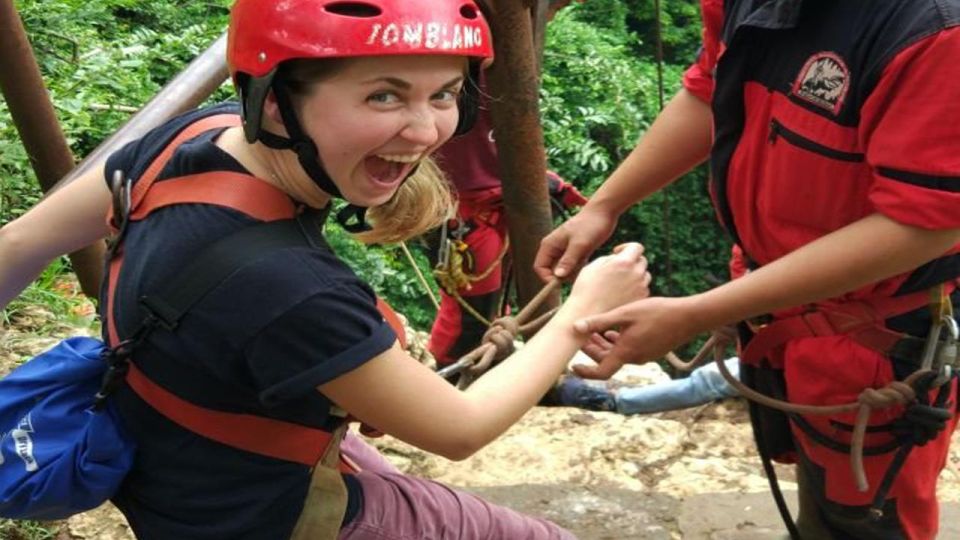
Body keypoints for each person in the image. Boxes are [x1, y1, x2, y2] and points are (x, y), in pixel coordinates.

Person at [0, 1, 654, 538]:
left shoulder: (195, 136)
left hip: (175, 467)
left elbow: (25, 241)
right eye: (383, 96)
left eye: (446, 94)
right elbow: (460, 429)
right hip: (262, 515)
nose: (427, 131)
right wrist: (575, 314)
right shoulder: (293, 291)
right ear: (279, 103)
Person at [535, 1, 960, 539]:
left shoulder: (935, 30)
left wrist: (696, 312)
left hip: (874, 336)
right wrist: (604, 204)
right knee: (818, 489)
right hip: (781, 306)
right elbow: (710, 89)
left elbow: (924, 223)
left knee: (864, 517)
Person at [427, 0, 587, 367]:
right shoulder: (460, 32)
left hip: (502, 189)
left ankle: (511, 368)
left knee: (512, 295)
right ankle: (452, 381)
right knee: (470, 313)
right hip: (462, 202)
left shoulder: (520, 38)